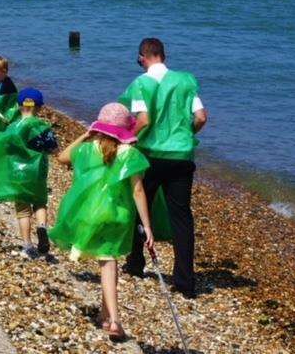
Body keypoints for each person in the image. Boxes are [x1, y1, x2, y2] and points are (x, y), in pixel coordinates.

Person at [49, 102, 154, 341]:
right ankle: (112, 318)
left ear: (99, 127)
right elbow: (138, 191)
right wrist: (147, 226)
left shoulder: (87, 149)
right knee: (108, 262)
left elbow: (62, 158)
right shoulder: (130, 154)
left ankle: (109, 317)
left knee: (106, 262)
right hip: (117, 215)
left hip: (89, 214)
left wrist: (86, 134)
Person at [119, 38, 207, 299]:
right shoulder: (185, 81)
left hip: (150, 155)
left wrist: (127, 139)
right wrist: (185, 135)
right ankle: (185, 281)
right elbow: (201, 117)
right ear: (163, 55)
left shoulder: (140, 83)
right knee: (181, 217)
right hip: (181, 156)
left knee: (138, 207)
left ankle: (136, 263)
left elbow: (143, 120)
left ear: (142, 57)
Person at [0, 88, 58, 258]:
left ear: (18, 106)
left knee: (23, 209)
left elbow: (2, 148)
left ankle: (28, 245)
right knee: (39, 202)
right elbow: (53, 148)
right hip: (38, 172)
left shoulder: (13, 127)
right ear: (39, 107)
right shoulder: (43, 127)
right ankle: (42, 227)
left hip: (18, 174)